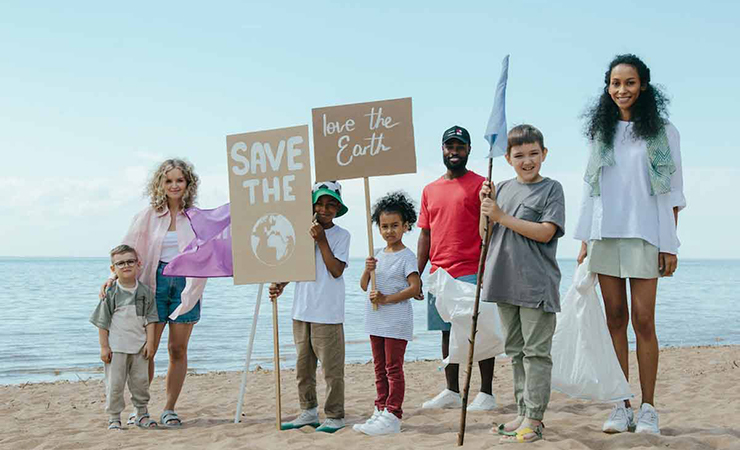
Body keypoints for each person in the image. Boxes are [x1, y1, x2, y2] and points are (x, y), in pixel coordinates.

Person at [574, 54, 686, 435]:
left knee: (643, 321)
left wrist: (669, 245)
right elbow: (590, 190)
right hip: (606, 234)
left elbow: (673, 193)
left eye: (630, 83)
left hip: (646, 234)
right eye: (615, 83)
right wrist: (586, 240)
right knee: (615, 320)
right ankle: (620, 406)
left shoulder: (663, 132)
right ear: (608, 88)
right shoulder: (601, 133)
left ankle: (649, 408)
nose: (622, 90)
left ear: (643, 86)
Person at [99, 158, 207, 427]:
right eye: (168, 180)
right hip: (153, 284)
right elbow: (128, 248)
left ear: (188, 183)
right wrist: (113, 276)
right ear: (160, 183)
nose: (174, 185)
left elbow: (211, 248)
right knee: (148, 349)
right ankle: (141, 408)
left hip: (186, 284)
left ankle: (169, 408)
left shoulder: (196, 216)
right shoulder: (147, 215)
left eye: (179, 180)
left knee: (178, 349)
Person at [480, 124, 565, 444]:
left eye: (533, 154)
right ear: (508, 157)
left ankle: (535, 418)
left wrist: (500, 215)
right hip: (503, 280)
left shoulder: (551, 189)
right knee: (515, 351)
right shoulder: (500, 187)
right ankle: (521, 411)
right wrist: (485, 207)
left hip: (536, 283)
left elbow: (545, 232)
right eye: (519, 155)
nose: (527, 161)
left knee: (536, 353)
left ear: (544, 154)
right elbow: (485, 237)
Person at [418, 125, 497, 411]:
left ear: (468, 151)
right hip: (439, 272)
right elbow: (425, 233)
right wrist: (417, 274)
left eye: (460, 147)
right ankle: (451, 390)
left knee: (479, 329)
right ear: (442, 149)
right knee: (446, 332)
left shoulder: (481, 184)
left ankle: (486, 393)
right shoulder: (429, 190)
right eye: (450, 146)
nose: (454, 152)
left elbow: (492, 226)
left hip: (472, 268)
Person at [269, 181, 351, 434]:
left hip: (327, 311)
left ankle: (335, 415)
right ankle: (308, 411)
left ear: (337, 208)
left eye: (331, 205)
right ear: (312, 206)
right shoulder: (302, 232)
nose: (324, 209)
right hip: (301, 309)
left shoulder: (342, 235)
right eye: (320, 204)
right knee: (303, 367)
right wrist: (281, 284)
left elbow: (336, 270)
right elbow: (298, 265)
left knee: (331, 369)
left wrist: (322, 239)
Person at [354, 191, 421, 436]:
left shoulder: (407, 257)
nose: (389, 231)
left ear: (406, 226)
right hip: (376, 320)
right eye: (384, 226)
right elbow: (364, 286)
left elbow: (415, 288)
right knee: (379, 367)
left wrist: (386, 299)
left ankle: (393, 413)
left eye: (395, 226)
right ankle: (380, 408)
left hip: (396, 321)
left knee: (393, 368)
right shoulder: (378, 255)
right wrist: (366, 269)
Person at [91, 245, 159, 430]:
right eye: (120, 263)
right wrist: (104, 347)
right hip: (117, 349)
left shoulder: (145, 292)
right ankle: (114, 417)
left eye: (130, 261)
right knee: (115, 385)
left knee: (140, 384)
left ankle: (142, 414)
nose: (126, 265)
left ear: (138, 264)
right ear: (113, 269)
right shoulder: (110, 293)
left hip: (139, 348)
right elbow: (102, 323)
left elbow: (151, 320)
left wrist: (151, 343)